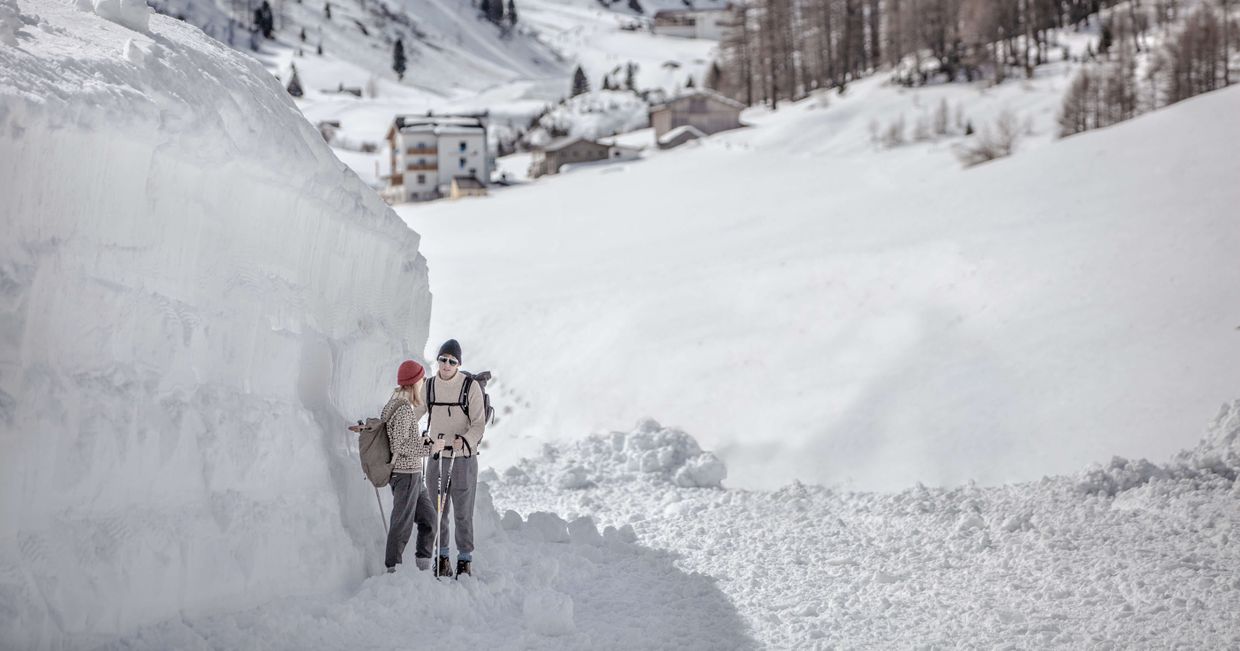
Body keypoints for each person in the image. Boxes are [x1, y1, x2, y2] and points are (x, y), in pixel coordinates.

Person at [424, 339, 487, 578]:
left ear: (458, 364)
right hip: (438, 455)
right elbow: (415, 411)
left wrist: (466, 440)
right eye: (443, 359)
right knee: (437, 510)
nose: (447, 364)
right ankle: (441, 558)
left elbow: (478, 424)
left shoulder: (469, 387)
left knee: (463, 511)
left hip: (463, 457)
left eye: (452, 361)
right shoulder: (429, 386)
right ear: (438, 360)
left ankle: (464, 560)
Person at [379, 360, 434, 573]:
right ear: (413, 382)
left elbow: (402, 439)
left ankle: (423, 567)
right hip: (405, 474)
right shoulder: (402, 409)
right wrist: (430, 449)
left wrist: (422, 442)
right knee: (401, 524)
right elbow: (399, 445)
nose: (423, 383)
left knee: (429, 519)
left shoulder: (399, 405)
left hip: (414, 475)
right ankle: (393, 570)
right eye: (421, 379)